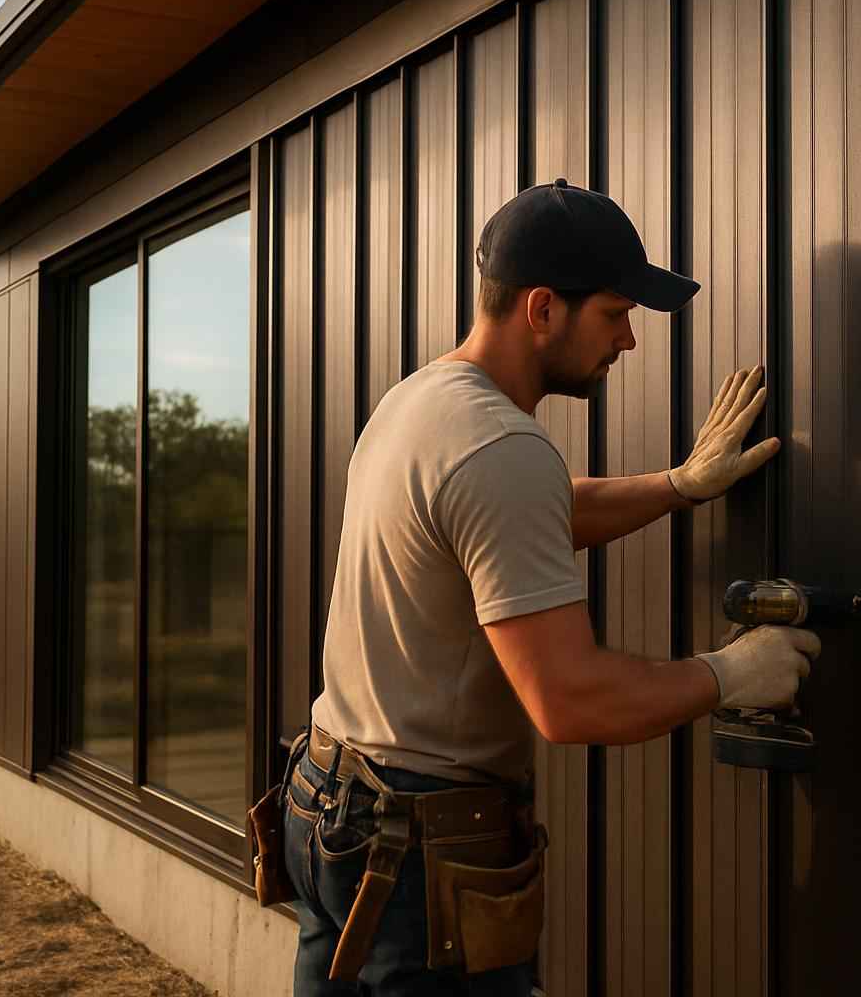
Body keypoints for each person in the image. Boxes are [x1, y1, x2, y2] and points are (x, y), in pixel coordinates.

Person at [279, 179, 820, 995]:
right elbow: (570, 702)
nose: (629, 341)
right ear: (541, 310)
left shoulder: (419, 402)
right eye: (614, 314)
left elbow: (520, 522)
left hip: (327, 804)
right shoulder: (501, 446)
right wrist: (735, 672)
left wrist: (679, 484)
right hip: (416, 854)